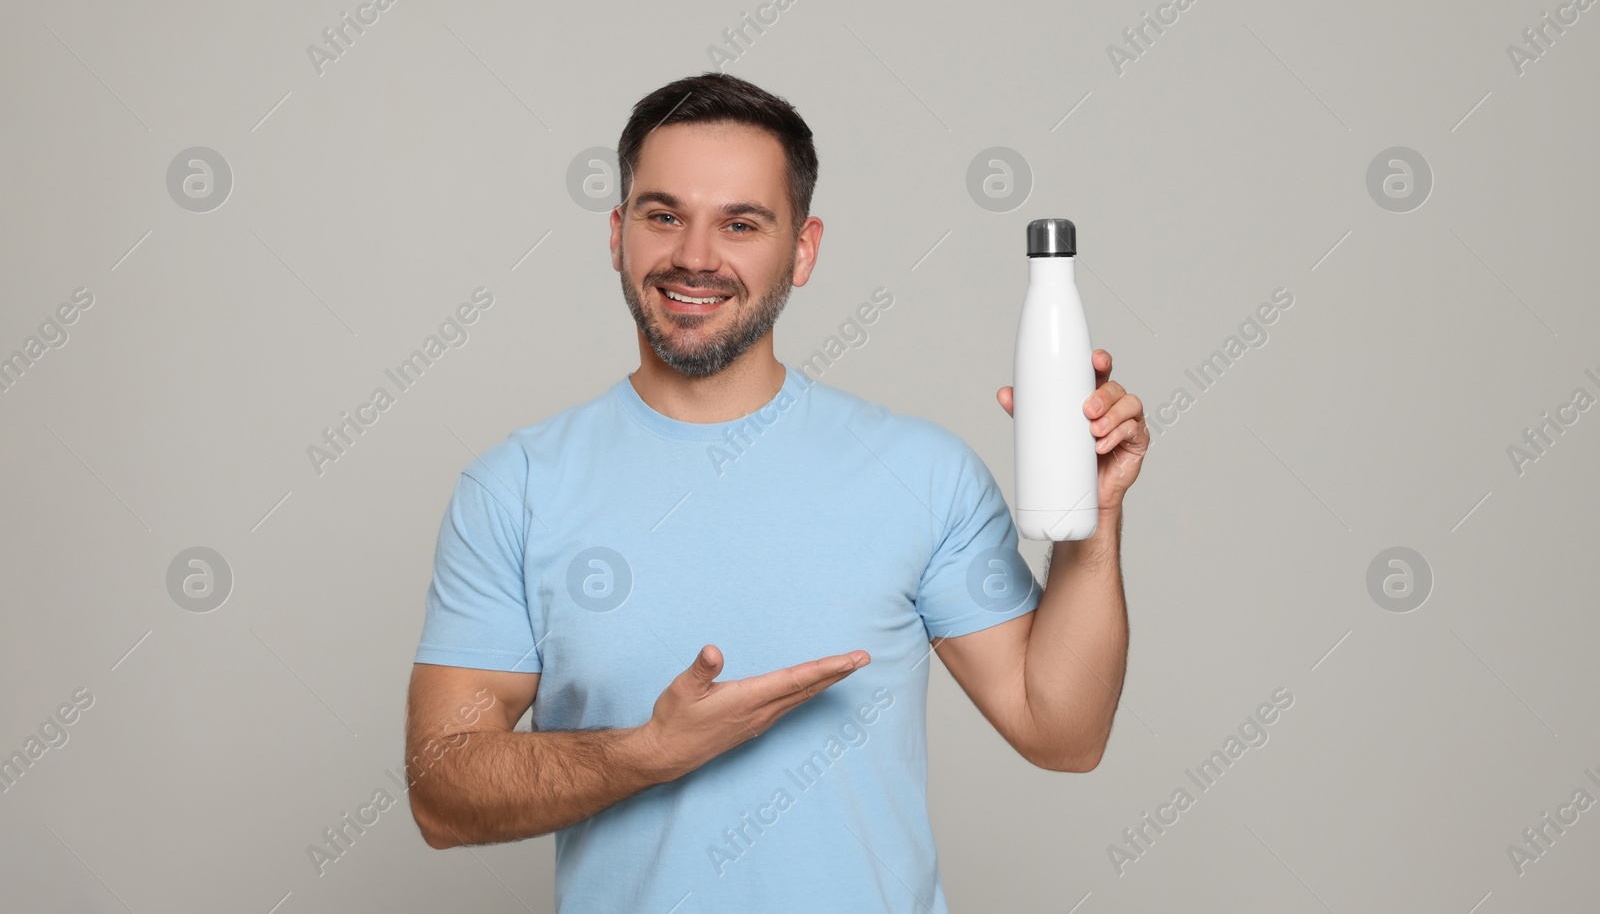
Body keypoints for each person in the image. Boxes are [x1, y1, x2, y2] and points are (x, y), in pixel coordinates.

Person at [404, 72, 1149, 912]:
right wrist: (650, 751)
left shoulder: (921, 473)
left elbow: (1065, 732)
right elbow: (441, 790)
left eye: (741, 223)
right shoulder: (517, 488)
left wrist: (1095, 520)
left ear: (803, 248)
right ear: (617, 235)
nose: (694, 255)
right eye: (663, 215)